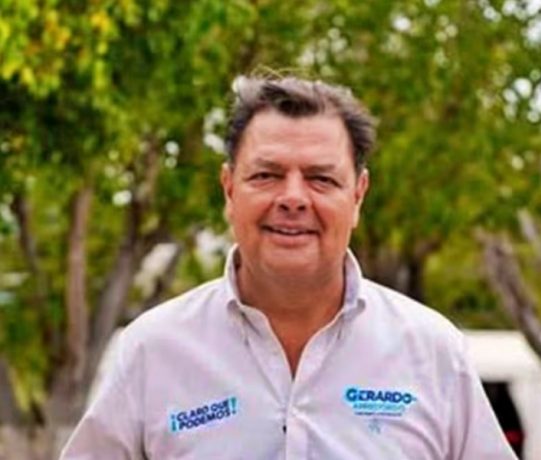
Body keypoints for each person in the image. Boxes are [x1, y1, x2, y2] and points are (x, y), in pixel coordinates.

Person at [60, 76, 517, 459]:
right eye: (266, 175)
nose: (293, 198)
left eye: (321, 178)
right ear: (229, 190)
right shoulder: (151, 352)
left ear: (357, 196)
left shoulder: (432, 352)